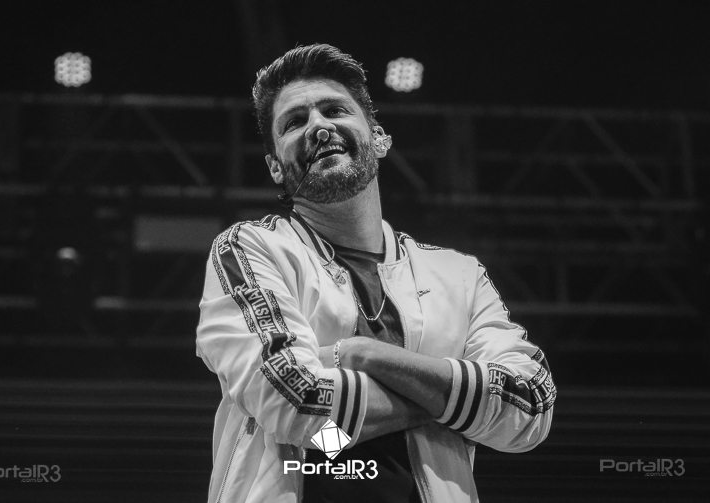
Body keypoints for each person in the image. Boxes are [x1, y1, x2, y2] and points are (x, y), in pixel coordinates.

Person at [196, 43, 556, 503]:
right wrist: (448, 400)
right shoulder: (251, 248)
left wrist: (364, 354)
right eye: (295, 122)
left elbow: (529, 409)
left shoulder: (460, 275)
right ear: (275, 168)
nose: (319, 126)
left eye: (334, 110)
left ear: (380, 138)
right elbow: (297, 404)